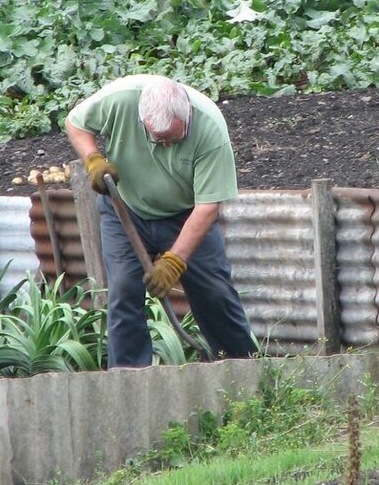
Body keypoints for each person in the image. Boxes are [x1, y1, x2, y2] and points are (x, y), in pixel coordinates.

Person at [65, 75, 258, 368]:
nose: (166, 145)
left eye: (174, 138)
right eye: (159, 138)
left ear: (187, 115)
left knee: (214, 292)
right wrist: (93, 159)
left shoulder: (210, 129)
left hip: (186, 215)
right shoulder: (120, 99)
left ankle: (243, 370)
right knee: (124, 290)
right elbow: (75, 123)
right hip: (125, 210)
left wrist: (174, 262)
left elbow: (208, 207)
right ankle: (129, 380)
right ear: (141, 120)